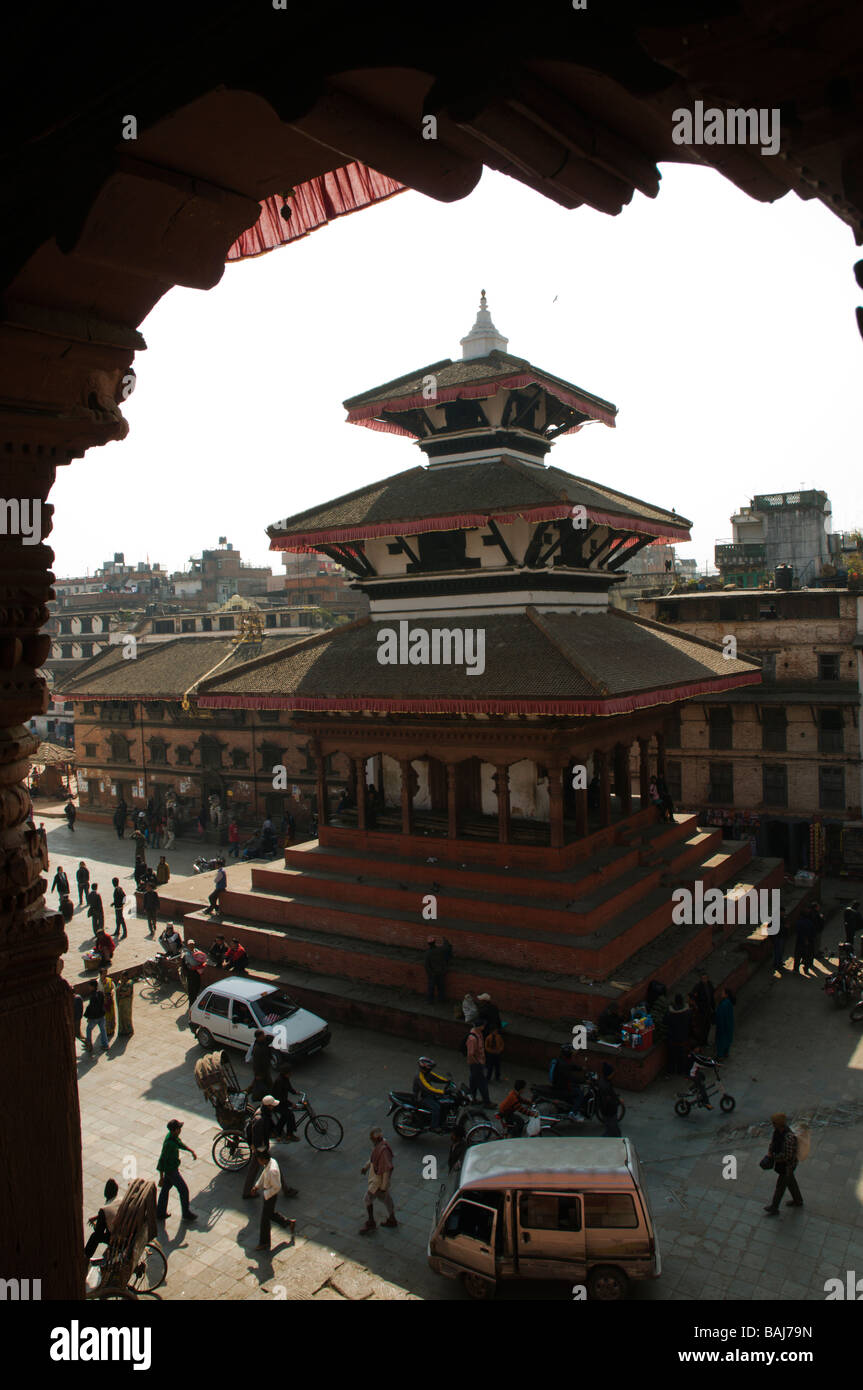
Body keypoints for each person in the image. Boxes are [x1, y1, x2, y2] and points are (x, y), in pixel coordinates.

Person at [156, 1119, 198, 1223]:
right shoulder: (169, 1144)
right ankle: (186, 1213)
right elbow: (162, 1160)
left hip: (171, 1170)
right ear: (175, 1130)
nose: (180, 1130)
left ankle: (160, 1212)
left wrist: (190, 1150)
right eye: (179, 1128)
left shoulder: (173, 1137)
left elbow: (179, 1143)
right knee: (184, 1190)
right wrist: (161, 1177)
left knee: (165, 1190)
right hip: (171, 1171)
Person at [250, 1152, 292, 1252]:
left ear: (263, 1159)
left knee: (265, 1220)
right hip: (268, 1194)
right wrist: (257, 1186)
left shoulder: (272, 1170)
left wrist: (266, 1194)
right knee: (270, 1215)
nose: (258, 1162)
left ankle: (264, 1243)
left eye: (259, 1160)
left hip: (270, 1196)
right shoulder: (270, 1163)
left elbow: (277, 1187)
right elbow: (264, 1174)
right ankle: (288, 1223)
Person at [763, 1112, 803, 1215]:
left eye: (774, 1123)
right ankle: (798, 1200)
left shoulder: (788, 1137)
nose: (772, 1124)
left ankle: (774, 1207)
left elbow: (787, 1156)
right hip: (783, 1164)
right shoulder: (777, 1132)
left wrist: (774, 1158)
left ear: (779, 1124)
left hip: (787, 1165)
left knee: (780, 1186)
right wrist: (769, 1153)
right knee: (790, 1182)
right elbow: (772, 1143)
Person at [359, 1128, 397, 1235]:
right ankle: (392, 1219)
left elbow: (386, 1170)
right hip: (378, 1181)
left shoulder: (383, 1151)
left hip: (377, 1183)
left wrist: (383, 1187)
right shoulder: (380, 1147)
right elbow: (372, 1158)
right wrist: (366, 1167)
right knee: (387, 1200)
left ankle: (371, 1222)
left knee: (367, 1199)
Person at [84, 1179, 121, 1261]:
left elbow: (98, 1233)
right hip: (124, 1230)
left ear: (105, 1193)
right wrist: (97, 1217)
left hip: (117, 1237)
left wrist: (95, 1226)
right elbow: (112, 1211)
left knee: (94, 1237)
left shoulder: (104, 1210)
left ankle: (85, 1257)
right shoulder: (120, 1199)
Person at [412, 1057, 451, 1131]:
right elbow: (429, 1088)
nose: (430, 1070)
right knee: (436, 1107)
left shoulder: (427, 1073)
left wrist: (447, 1081)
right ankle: (434, 1126)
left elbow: (436, 1077)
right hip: (422, 1097)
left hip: (428, 1094)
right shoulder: (420, 1077)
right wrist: (443, 1092)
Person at [271, 1065, 301, 1141]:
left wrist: (295, 1092)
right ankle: (289, 1135)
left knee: (285, 1116)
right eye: (289, 1073)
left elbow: (289, 1088)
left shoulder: (285, 1079)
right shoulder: (280, 1081)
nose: (291, 1074)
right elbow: (281, 1098)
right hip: (276, 1103)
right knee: (290, 1115)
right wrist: (291, 1104)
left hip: (280, 1102)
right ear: (286, 1073)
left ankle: (277, 1130)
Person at [666, 993, 692, 1075]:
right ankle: (681, 1070)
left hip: (673, 1037)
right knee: (682, 1054)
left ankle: (672, 1070)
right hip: (683, 1037)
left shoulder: (670, 1014)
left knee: (672, 1055)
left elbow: (665, 1022)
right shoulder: (687, 1013)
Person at [466, 1024, 490, 1104]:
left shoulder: (478, 1034)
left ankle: (472, 1098)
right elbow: (470, 1054)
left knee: (473, 1081)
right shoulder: (473, 1038)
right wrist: (477, 1062)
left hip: (477, 1062)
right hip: (476, 1063)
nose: (484, 1027)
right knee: (482, 1083)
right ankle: (487, 1102)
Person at [247, 1029, 274, 1101]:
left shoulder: (263, 1042)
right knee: (263, 1083)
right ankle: (259, 1096)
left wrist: (265, 1036)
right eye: (262, 1035)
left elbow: (271, 1038)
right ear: (258, 1037)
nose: (264, 1036)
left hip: (265, 1067)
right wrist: (257, 1074)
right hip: (261, 1070)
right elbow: (256, 1063)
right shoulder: (257, 1048)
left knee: (261, 1083)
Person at [690, 971, 715, 1045]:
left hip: (708, 1008)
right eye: (703, 978)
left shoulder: (710, 985)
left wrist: (713, 1007)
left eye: (705, 978)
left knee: (708, 1025)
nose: (704, 979)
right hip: (702, 1010)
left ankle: (705, 1040)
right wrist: (697, 1005)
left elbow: (712, 996)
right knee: (702, 1026)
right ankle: (701, 1042)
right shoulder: (698, 986)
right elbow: (692, 995)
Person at [84, 981, 109, 1053]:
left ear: (93, 987)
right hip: (101, 1015)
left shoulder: (92, 996)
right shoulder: (100, 993)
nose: (89, 987)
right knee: (103, 1030)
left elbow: (91, 1007)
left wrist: (89, 1017)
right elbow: (104, 1002)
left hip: (95, 1017)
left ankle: (89, 1045)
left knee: (89, 1029)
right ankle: (105, 1045)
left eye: (90, 986)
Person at [181, 939, 206, 1008]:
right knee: (191, 989)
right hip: (190, 974)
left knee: (197, 986)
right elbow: (191, 964)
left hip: (197, 973)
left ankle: (194, 1001)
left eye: (192, 944)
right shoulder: (186, 954)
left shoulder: (197, 951)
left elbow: (203, 958)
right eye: (190, 945)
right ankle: (191, 1003)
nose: (191, 946)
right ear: (188, 946)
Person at [714, 987, 735, 1060]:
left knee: (721, 1041)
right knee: (727, 1039)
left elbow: (720, 1016)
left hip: (723, 1025)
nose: (721, 994)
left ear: (726, 995)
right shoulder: (729, 1003)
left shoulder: (723, 1004)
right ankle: (726, 1052)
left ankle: (720, 1055)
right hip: (729, 1025)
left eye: (722, 993)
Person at [793, 910, 815, 975]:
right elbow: (813, 933)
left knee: (797, 956)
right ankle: (806, 969)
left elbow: (796, 931)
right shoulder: (810, 923)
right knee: (807, 956)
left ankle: (796, 969)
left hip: (799, 941)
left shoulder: (798, 922)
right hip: (808, 942)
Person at [98, 968, 117, 1039]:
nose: (105, 975)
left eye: (105, 973)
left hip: (110, 1000)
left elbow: (113, 987)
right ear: (100, 974)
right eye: (103, 973)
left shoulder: (109, 980)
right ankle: (106, 1030)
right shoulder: (98, 982)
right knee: (105, 1017)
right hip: (103, 1001)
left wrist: (112, 992)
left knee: (111, 1015)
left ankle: (112, 1029)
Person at [772, 905, 788, 974]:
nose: (784, 913)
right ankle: (777, 964)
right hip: (778, 937)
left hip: (781, 936)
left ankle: (779, 962)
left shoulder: (781, 918)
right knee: (778, 951)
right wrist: (784, 926)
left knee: (780, 951)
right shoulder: (776, 918)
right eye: (783, 912)